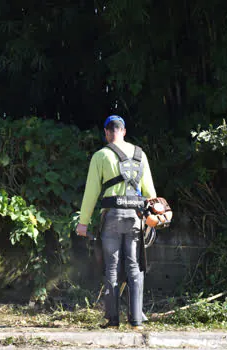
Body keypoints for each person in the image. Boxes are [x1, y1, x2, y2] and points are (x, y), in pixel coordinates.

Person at [76, 115, 157, 329]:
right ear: (124, 131)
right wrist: (154, 218)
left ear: (106, 133)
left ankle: (112, 320)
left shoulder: (101, 155)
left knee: (111, 267)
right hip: (136, 218)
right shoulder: (140, 154)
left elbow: (91, 192)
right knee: (134, 265)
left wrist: (83, 222)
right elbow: (150, 192)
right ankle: (136, 321)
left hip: (111, 216)